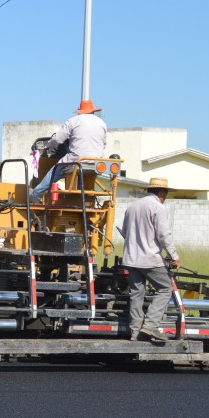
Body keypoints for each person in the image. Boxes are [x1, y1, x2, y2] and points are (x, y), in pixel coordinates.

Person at [118, 177, 180, 341]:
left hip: (131, 259)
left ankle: (135, 331)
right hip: (150, 259)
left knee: (137, 293)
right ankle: (151, 326)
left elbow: (124, 232)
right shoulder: (158, 208)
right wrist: (174, 256)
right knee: (165, 288)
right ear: (161, 192)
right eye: (165, 194)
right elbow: (163, 235)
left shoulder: (132, 207)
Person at [29, 99, 108, 204]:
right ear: (93, 111)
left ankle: (35, 195)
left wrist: (48, 146)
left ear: (80, 111)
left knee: (54, 171)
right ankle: (81, 202)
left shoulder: (74, 121)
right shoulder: (102, 123)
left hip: (77, 160)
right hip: (96, 164)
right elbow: (104, 144)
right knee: (82, 175)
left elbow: (57, 139)